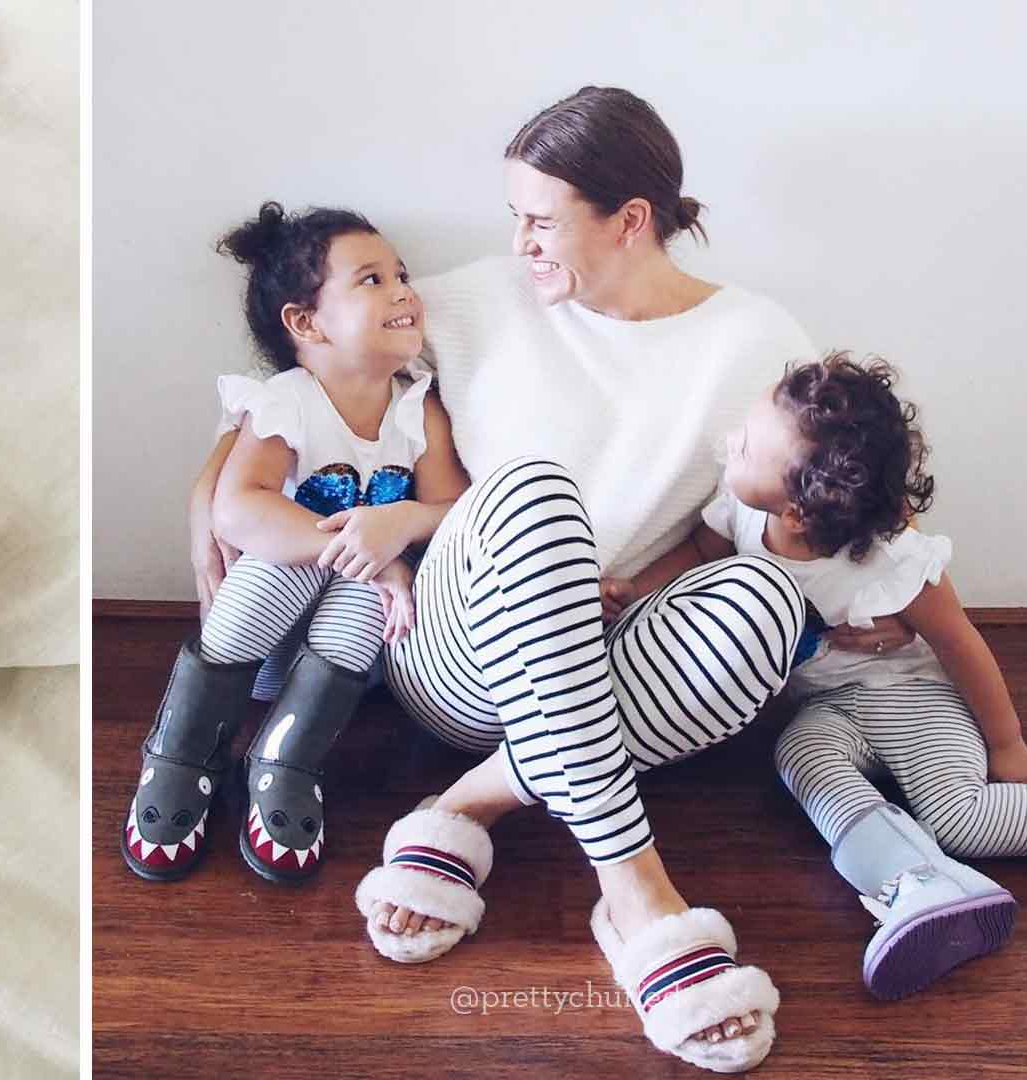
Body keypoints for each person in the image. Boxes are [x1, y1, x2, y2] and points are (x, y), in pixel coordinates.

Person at [187, 87, 863, 1071]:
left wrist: (871, 577)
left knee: (766, 602)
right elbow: (311, 365)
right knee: (535, 493)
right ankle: (635, 895)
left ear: (630, 220)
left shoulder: (755, 343)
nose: (521, 244)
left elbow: (837, 466)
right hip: (457, 652)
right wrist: (209, 485)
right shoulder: (470, 301)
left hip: (612, 665)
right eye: (514, 216)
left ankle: (466, 809)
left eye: (542, 221)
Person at [607, 352, 1027, 1002]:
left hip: (910, 698)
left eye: (746, 447)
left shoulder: (888, 561)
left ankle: (941, 858)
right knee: (801, 761)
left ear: (800, 513)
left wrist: (1006, 744)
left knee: (959, 819)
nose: (731, 444)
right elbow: (700, 553)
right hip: (825, 710)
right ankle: (913, 882)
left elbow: (961, 644)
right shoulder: (746, 510)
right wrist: (633, 592)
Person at [122, 201, 467, 886]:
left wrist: (396, 536)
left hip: (337, 668)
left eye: (401, 273)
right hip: (259, 650)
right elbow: (239, 509)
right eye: (371, 280)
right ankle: (180, 751)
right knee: (284, 558)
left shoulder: (416, 406)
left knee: (366, 590)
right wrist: (370, 552)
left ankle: (286, 761)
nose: (402, 289)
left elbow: (451, 505)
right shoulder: (290, 400)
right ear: (305, 323)